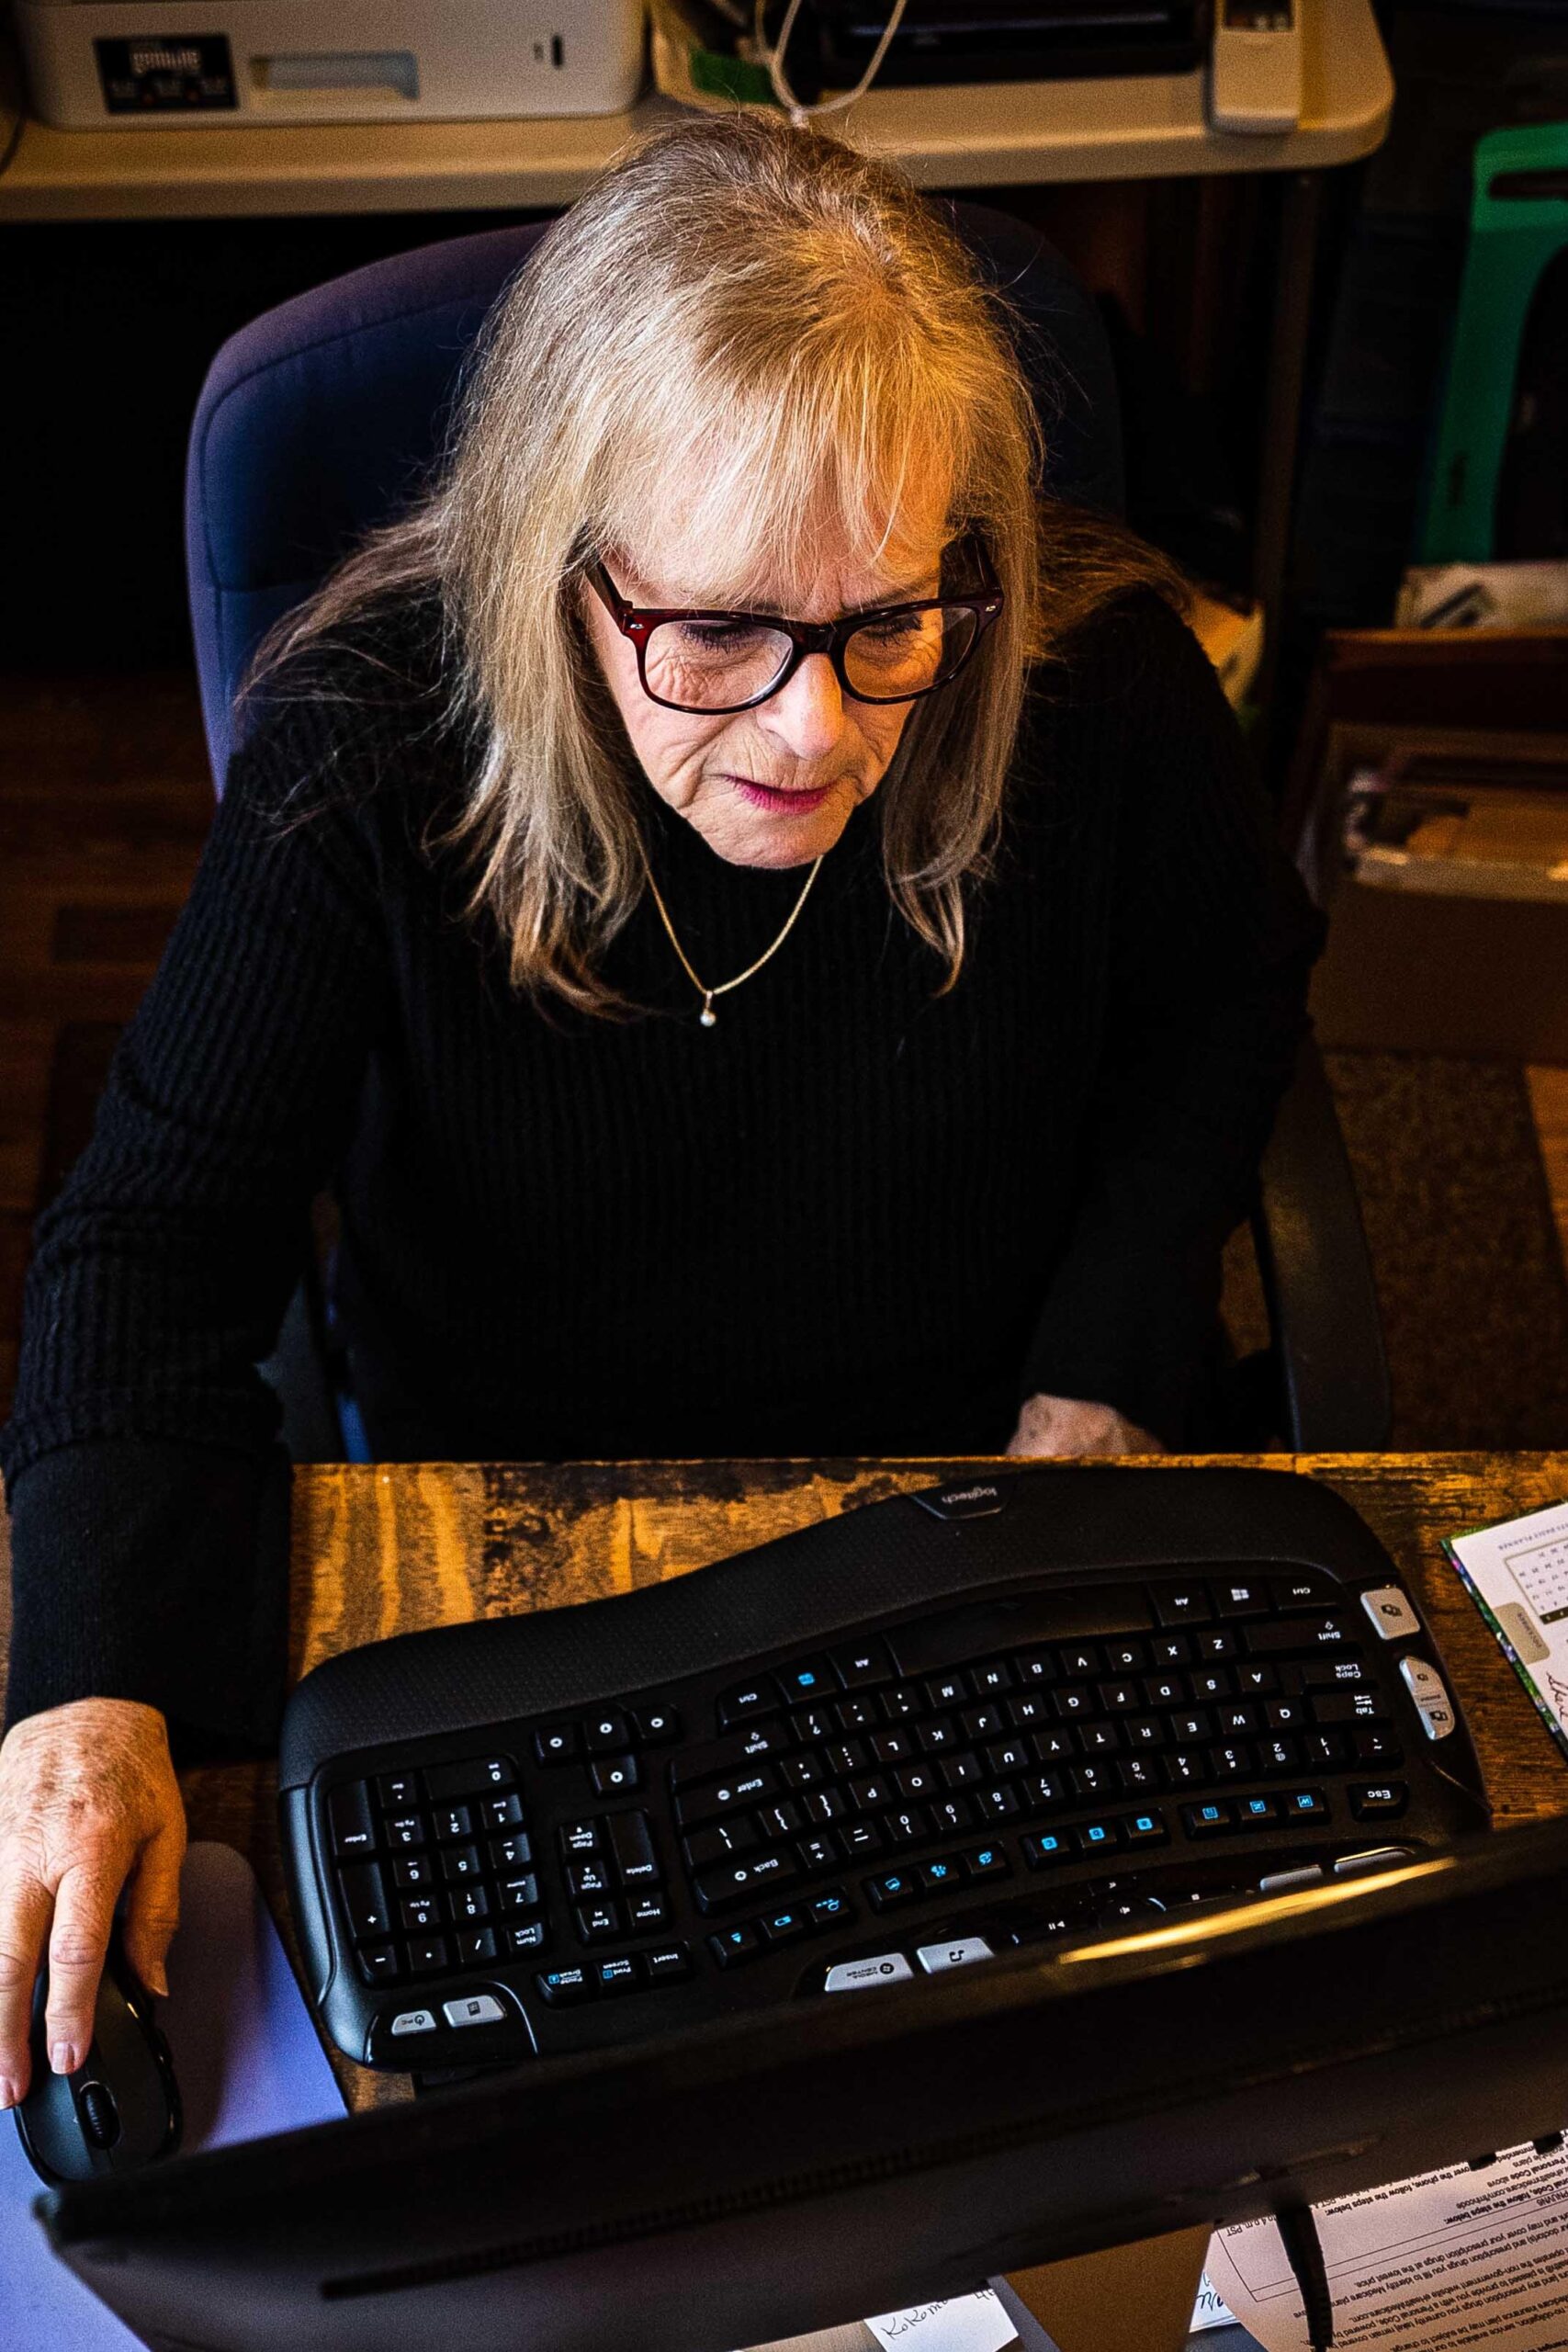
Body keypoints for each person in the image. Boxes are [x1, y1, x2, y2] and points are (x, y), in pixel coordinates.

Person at [0, 113, 1323, 2110]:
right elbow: (152, 1235)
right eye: (716, 633)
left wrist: (1107, 1358)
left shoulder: (1091, 683)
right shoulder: (370, 734)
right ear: (564, 565)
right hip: (516, 1520)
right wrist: (93, 1687)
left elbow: (1224, 996)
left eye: (888, 619)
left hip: (952, 1486)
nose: (815, 728)